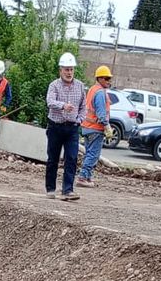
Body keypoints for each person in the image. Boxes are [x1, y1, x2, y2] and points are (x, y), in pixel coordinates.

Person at [45, 52, 86, 202]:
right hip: (55, 126)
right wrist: (63, 106)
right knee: (53, 159)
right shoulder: (54, 85)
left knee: (72, 158)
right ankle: (50, 188)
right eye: (66, 69)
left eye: (71, 69)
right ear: (60, 70)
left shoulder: (80, 86)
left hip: (72, 128)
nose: (69, 72)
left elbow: (83, 106)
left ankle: (67, 190)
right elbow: (50, 101)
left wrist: (80, 119)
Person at [76, 65, 112, 188]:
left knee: (89, 153)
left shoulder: (92, 89)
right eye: (106, 78)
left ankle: (88, 177)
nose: (108, 81)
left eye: (109, 78)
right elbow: (101, 114)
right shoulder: (100, 93)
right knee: (93, 154)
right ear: (99, 78)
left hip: (87, 127)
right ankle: (82, 177)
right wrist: (107, 127)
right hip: (95, 128)